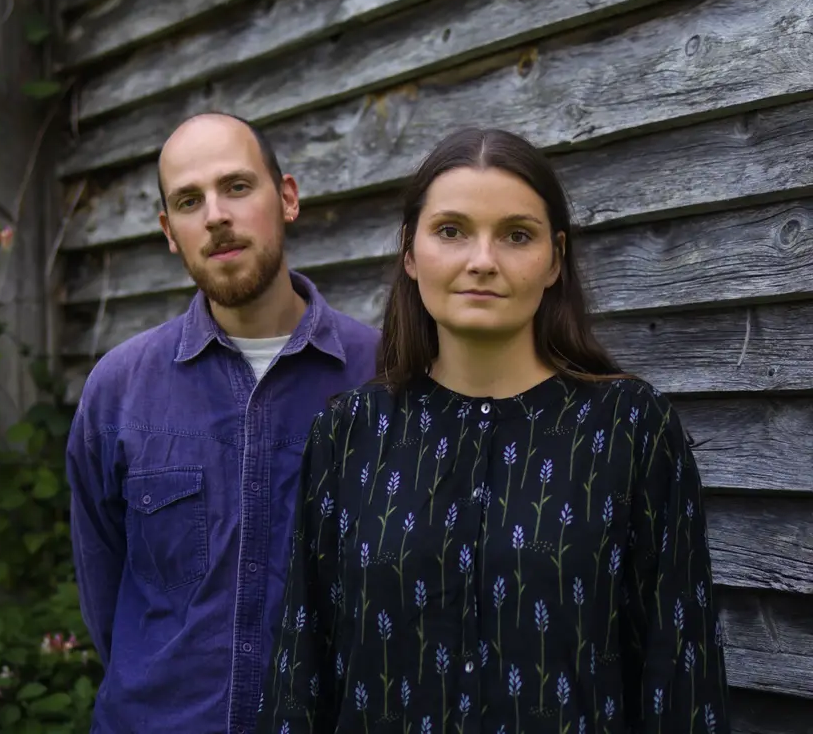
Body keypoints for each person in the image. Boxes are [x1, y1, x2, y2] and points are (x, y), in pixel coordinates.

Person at [256, 127, 730, 733]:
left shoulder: (631, 428)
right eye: (451, 231)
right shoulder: (349, 434)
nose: (482, 261)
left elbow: (680, 670)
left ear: (555, 258)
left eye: (516, 235)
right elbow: (304, 665)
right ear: (410, 251)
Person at [66, 112, 380, 734]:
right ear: (169, 232)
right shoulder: (119, 391)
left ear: (286, 198)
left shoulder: (383, 378)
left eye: (237, 187)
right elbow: (104, 595)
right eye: (189, 200)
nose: (215, 215)